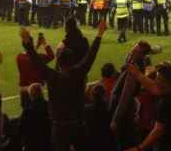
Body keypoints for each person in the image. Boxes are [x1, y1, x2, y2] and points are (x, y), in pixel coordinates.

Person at [21, 20, 107, 151]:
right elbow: (91, 55)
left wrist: (27, 42)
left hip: (59, 126)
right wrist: (99, 34)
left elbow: (35, 60)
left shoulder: (52, 76)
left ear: (59, 63)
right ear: (72, 61)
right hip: (77, 124)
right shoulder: (78, 73)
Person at [124, 62, 171, 151]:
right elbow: (154, 87)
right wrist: (137, 73)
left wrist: (139, 148)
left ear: (165, 83)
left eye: (158, 78)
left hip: (167, 145)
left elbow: (158, 131)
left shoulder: (166, 104)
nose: (156, 80)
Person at [109, 40, 159, 150]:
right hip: (126, 111)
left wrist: (116, 119)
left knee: (123, 143)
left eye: (135, 50)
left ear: (141, 54)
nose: (131, 51)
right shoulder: (134, 63)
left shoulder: (134, 70)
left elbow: (125, 96)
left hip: (124, 113)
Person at [16, 32, 55, 108]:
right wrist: (44, 43)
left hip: (24, 90)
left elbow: (31, 54)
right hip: (36, 91)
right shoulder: (39, 58)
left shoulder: (19, 57)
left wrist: (36, 46)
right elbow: (51, 56)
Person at [19, 83, 52, 151]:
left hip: (32, 145)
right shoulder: (50, 106)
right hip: (49, 143)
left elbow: (21, 130)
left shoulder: (27, 112)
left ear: (31, 95)